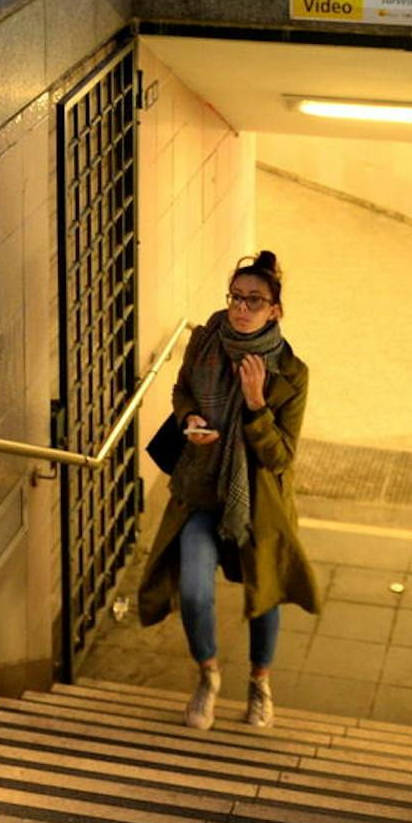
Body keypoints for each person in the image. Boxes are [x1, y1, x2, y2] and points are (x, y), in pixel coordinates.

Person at [137, 250, 320, 732]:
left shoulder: (291, 374)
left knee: (266, 592)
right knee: (195, 592)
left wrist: (258, 405)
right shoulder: (205, 340)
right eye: (236, 297)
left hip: (257, 500)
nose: (241, 308)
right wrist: (190, 419)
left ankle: (260, 683)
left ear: (276, 310)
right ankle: (208, 675)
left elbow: (280, 457)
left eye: (254, 301)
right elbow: (183, 393)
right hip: (200, 489)